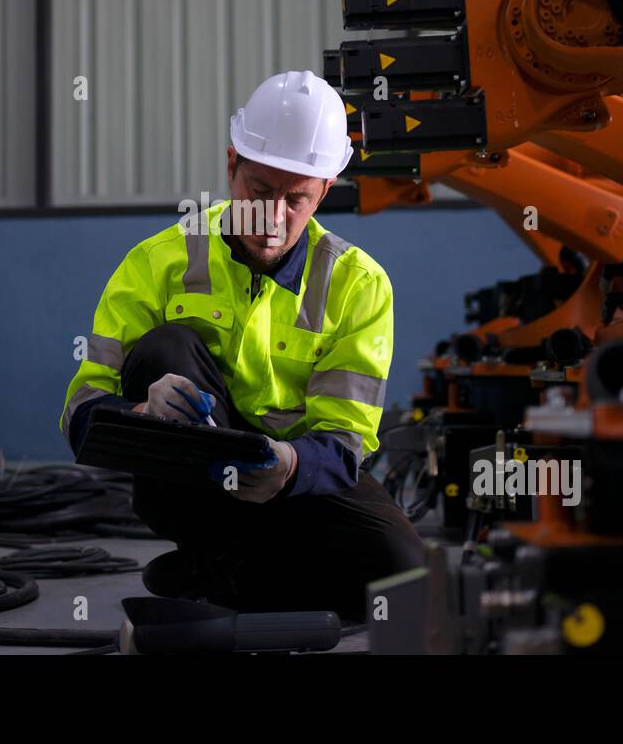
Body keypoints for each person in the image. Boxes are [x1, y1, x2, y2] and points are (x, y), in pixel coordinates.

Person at [60, 69, 425, 620]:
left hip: (293, 485)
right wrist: (142, 413)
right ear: (232, 166)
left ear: (325, 190)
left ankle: (226, 574)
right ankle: (228, 559)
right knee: (164, 349)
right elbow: (80, 415)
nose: (274, 221)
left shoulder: (359, 286)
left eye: (297, 199)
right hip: (192, 487)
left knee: (401, 576)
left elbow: (348, 440)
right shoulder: (157, 263)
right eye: (260, 192)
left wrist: (289, 464)